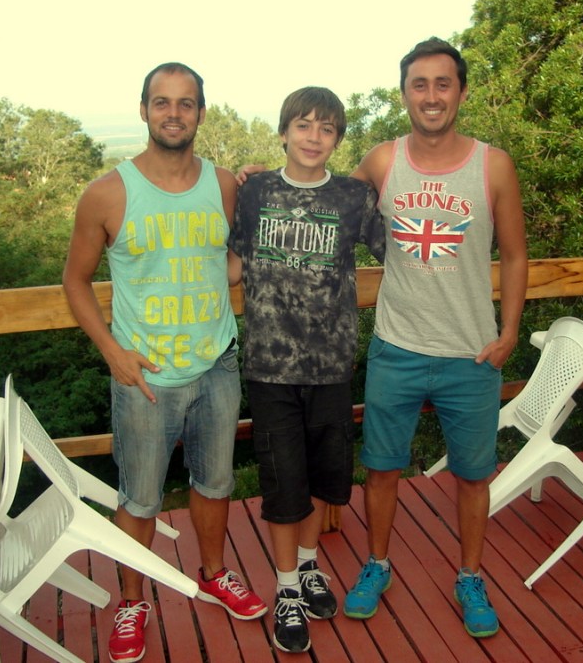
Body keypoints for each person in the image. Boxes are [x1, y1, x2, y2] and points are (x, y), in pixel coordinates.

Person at [62, 62, 266, 663]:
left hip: (216, 363)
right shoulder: (107, 193)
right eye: (162, 102)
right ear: (144, 109)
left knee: (216, 483)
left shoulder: (224, 184)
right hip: (145, 376)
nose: (173, 113)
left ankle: (214, 572)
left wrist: (263, 196)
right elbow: (75, 281)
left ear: (201, 112)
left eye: (185, 102)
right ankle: (132, 602)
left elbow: (227, 264)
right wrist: (113, 353)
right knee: (140, 497)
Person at [343, 38, 528, 639]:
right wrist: (260, 183)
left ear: (461, 92)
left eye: (442, 84)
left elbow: (516, 255)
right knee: (381, 468)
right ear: (404, 95)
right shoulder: (382, 161)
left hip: (471, 353)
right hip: (395, 346)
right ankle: (377, 564)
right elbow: (325, 204)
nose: (431, 96)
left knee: (474, 475)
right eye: (418, 84)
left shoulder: (493, 166)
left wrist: (509, 333)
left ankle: (470, 576)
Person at [231, 86, 385, 653]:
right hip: (269, 367)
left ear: (338, 139)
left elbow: (400, 252)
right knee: (282, 483)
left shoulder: (353, 196)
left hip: (331, 365)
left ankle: (309, 564)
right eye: (303, 125)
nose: (314, 137)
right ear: (283, 132)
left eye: (326, 128)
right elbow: (228, 260)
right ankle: (286, 589)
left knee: (324, 479)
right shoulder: (254, 192)